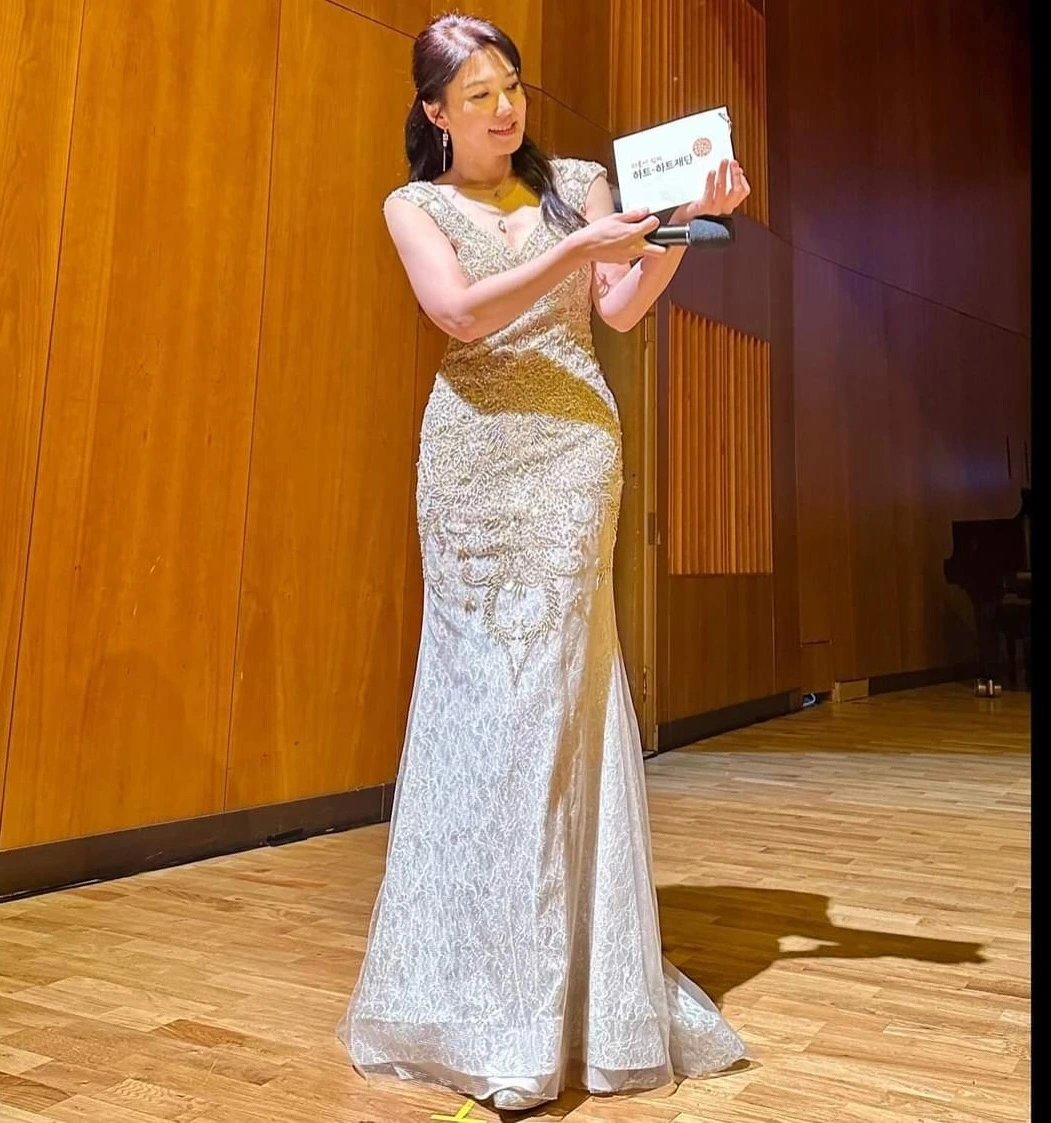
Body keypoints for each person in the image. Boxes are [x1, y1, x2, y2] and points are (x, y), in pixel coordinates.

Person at [337, 12, 752, 1114]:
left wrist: (676, 229)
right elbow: (459, 317)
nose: (504, 109)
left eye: (511, 87)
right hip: (470, 463)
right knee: (477, 710)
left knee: (554, 705)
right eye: (477, 95)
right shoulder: (416, 206)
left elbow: (615, 307)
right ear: (434, 112)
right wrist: (573, 248)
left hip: (570, 455)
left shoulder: (574, 182)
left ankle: (554, 1006)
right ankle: (463, 992)